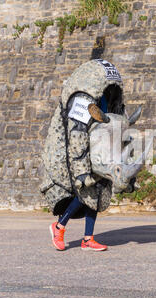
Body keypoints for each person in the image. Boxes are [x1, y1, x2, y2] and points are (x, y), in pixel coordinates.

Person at [41, 59, 126, 252]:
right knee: (84, 192)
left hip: (101, 147)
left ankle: (88, 238)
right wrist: (80, 167)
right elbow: (77, 131)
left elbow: (118, 119)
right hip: (85, 148)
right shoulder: (83, 99)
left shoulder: (109, 97)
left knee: (98, 191)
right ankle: (59, 226)